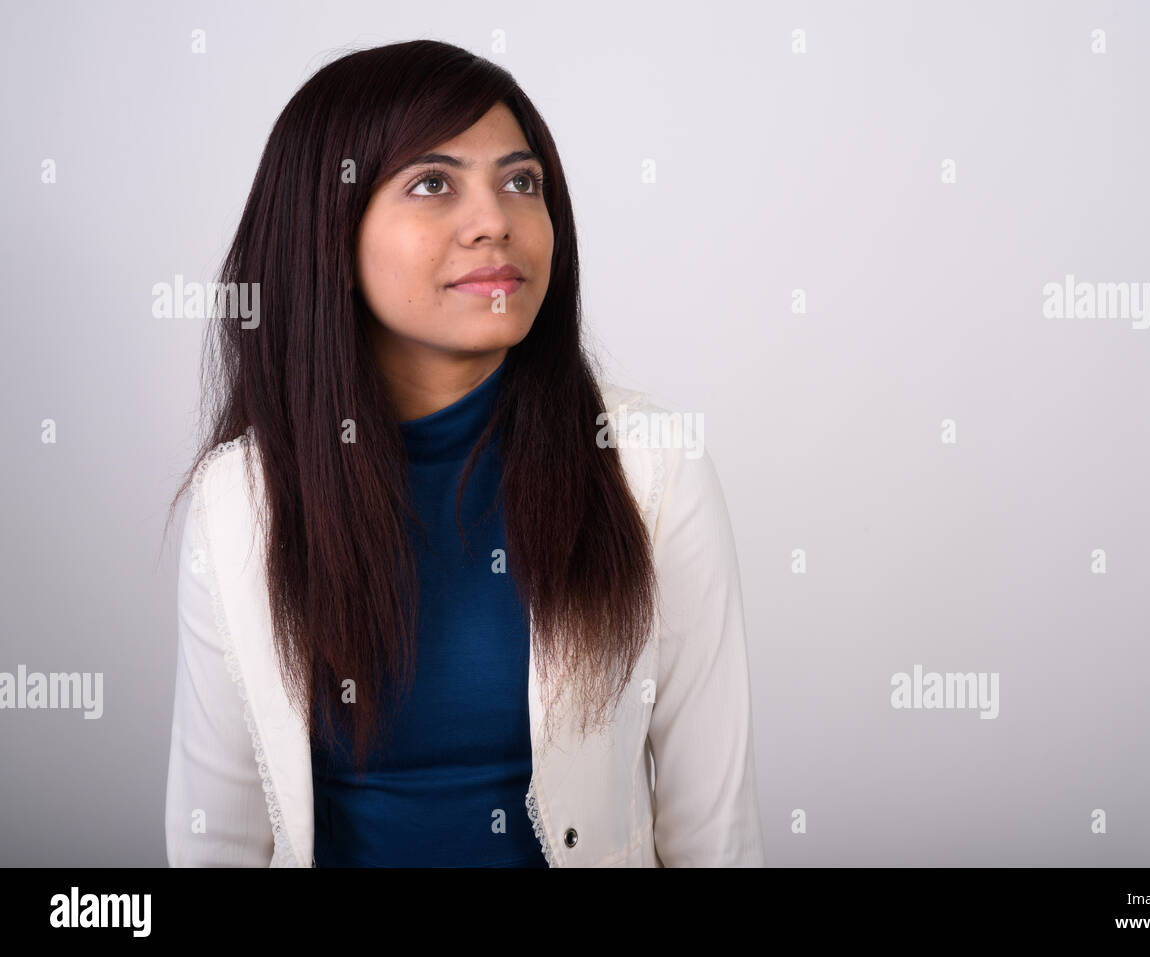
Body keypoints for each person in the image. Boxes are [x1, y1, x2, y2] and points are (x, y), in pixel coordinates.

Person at [163, 39, 763, 867]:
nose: (496, 221)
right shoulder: (240, 500)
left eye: (522, 182)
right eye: (432, 183)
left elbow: (713, 834)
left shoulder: (652, 469)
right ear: (327, 238)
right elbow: (216, 839)